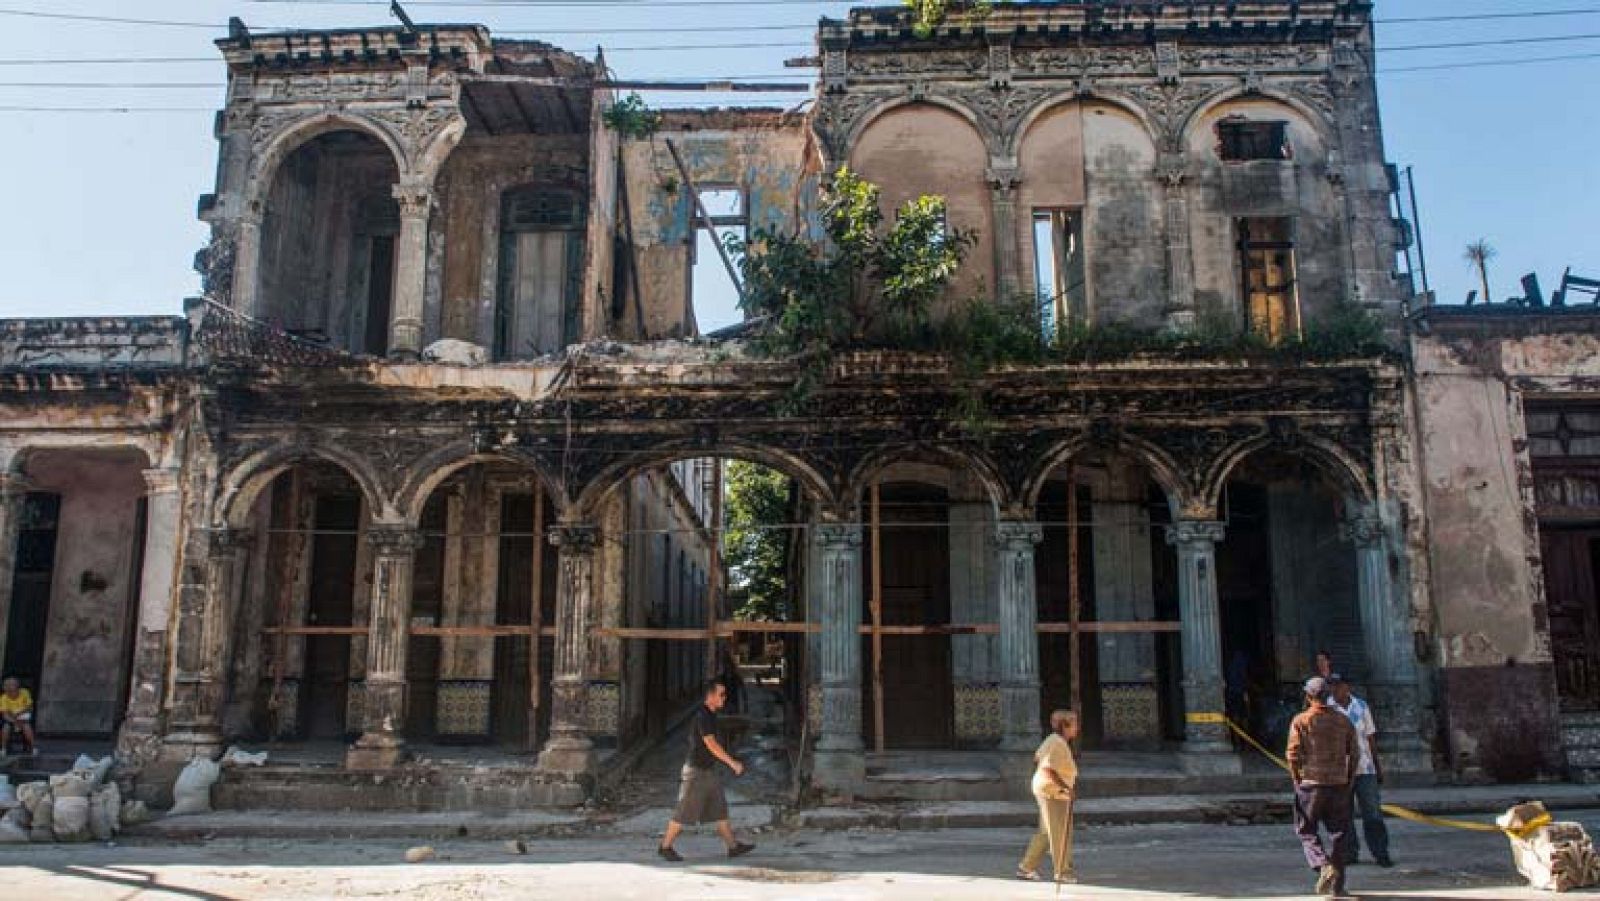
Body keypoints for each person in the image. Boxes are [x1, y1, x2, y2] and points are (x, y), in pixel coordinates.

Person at [658, 679, 755, 862]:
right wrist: (732, 763)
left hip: (708, 771)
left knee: (720, 809)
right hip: (696, 772)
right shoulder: (703, 715)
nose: (724, 698)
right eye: (721, 694)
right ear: (710, 696)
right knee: (684, 811)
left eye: (725, 694)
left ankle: (733, 847)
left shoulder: (710, 715)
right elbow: (711, 744)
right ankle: (665, 847)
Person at [1287, 676, 1360, 896]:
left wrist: (1296, 779)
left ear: (1308, 696)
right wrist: (1348, 779)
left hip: (1311, 783)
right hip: (1338, 783)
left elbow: (1292, 754)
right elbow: (1355, 753)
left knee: (1306, 829)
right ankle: (1338, 887)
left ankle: (1322, 865)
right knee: (1339, 834)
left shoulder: (1302, 720)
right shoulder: (1343, 720)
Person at [1329, 675, 1393, 867]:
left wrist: (1377, 766)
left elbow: (1370, 737)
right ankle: (1350, 852)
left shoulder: (1361, 706)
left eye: (1338, 686)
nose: (1334, 690)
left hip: (1365, 768)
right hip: (1340, 771)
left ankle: (1380, 852)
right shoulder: (1328, 709)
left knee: (1372, 812)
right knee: (1344, 814)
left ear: (1346, 687)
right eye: (1331, 686)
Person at [1016, 709, 1080, 884]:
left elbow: (1037, 758)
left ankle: (1026, 867)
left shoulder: (1053, 740)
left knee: (1046, 832)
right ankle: (1063, 872)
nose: (1077, 728)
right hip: (1053, 792)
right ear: (1065, 726)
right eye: (1074, 724)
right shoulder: (1057, 743)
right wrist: (1066, 787)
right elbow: (1047, 767)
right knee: (1060, 833)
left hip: (1046, 789)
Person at [0, 677, 36, 755]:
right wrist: (15, 721)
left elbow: (29, 707)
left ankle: (33, 747)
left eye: (14, 689)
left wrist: (18, 714)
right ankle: (3, 748)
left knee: (26, 727)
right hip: (11, 719)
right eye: (9, 690)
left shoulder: (24, 692)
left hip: (23, 716)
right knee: (6, 728)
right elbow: (5, 714)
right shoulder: (3, 698)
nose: (12, 692)